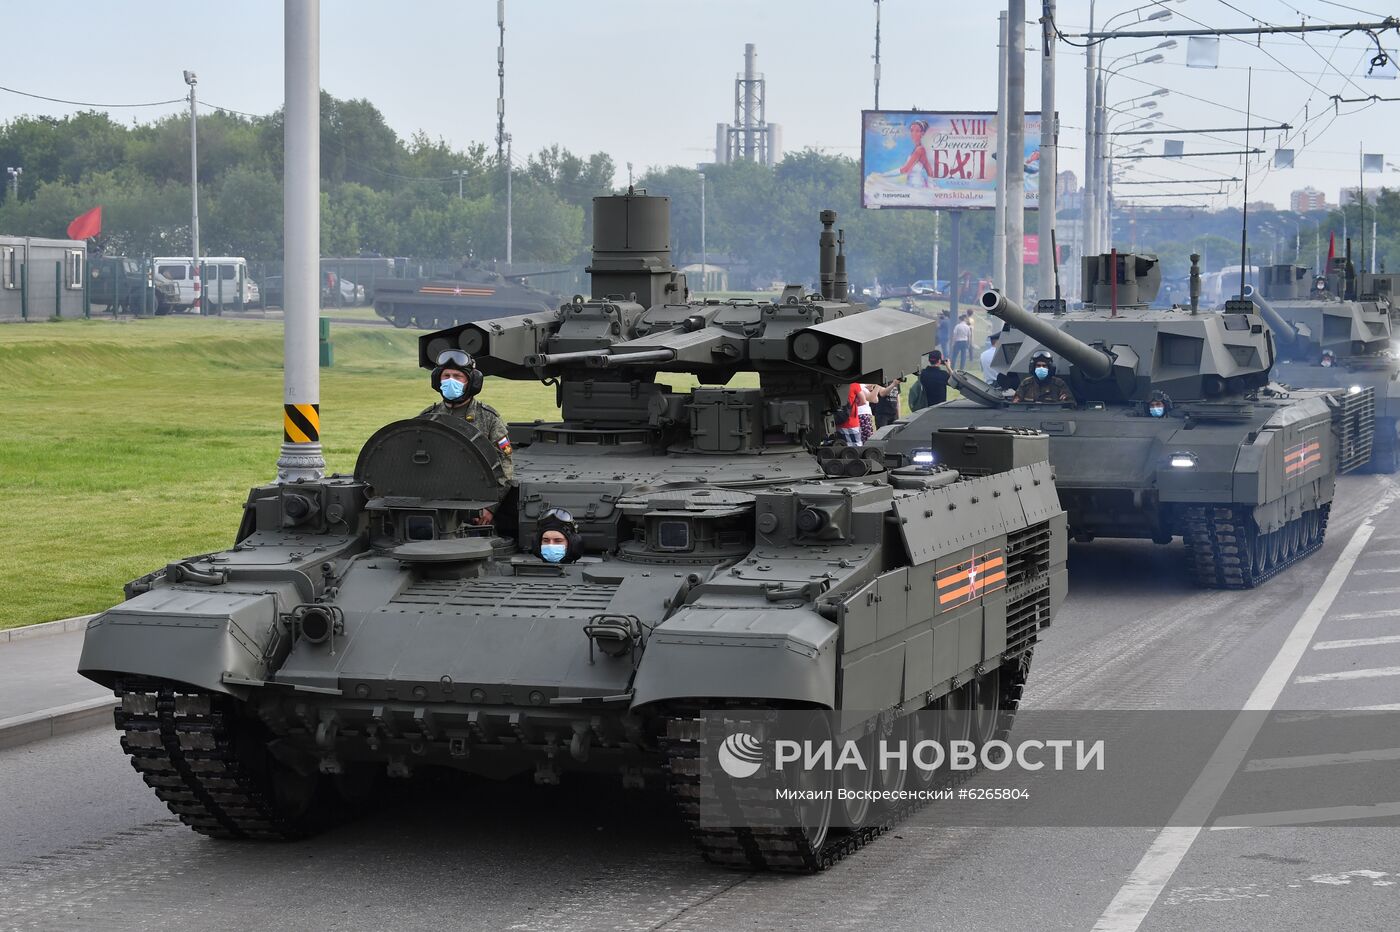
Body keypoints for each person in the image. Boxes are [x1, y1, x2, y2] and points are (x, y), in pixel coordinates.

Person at [420, 349, 515, 482]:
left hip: (476, 492)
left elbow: (504, 461)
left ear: (472, 382)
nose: (451, 381)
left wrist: (496, 494)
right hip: (435, 487)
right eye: (446, 376)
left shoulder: (488, 418)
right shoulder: (428, 416)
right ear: (438, 380)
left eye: (457, 376)